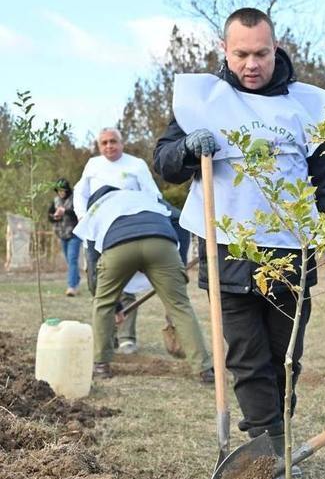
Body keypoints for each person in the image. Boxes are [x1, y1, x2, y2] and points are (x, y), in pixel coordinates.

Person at [153, 7, 325, 460]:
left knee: (285, 357)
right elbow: (164, 162)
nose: (251, 64)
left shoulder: (310, 104)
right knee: (247, 354)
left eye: (261, 53)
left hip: (290, 249)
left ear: (275, 48)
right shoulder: (202, 99)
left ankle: (274, 436)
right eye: (241, 54)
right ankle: (267, 452)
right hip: (227, 245)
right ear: (225, 50)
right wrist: (185, 147)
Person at [73, 186, 213, 382]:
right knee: (180, 306)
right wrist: (178, 264)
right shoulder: (145, 196)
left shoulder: (95, 210)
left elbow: (93, 260)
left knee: (102, 304)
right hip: (162, 243)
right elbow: (180, 219)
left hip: (119, 246)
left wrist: (113, 305)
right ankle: (203, 369)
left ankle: (100, 365)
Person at [74, 127, 164, 354]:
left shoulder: (136, 165)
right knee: (97, 285)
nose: (109, 146)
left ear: (122, 143)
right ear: (98, 146)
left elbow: (152, 193)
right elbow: (80, 192)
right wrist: (83, 216)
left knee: (124, 282)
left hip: (126, 230)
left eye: (113, 141)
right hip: (97, 231)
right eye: (103, 143)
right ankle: (107, 338)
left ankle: (126, 338)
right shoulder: (93, 166)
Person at [47, 178, 81, 296]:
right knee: (69, 260)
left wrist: (65, 211)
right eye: (59, 191)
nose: (61, 193)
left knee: (72, 259)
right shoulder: (56, 201)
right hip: (62, 234)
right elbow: (49, 216)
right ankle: (76, 279)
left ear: (67, 190)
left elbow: (78, 214)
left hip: (74, 234)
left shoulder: (75, 199)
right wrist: (55, 217)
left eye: (63, 190)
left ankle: (72, 287)